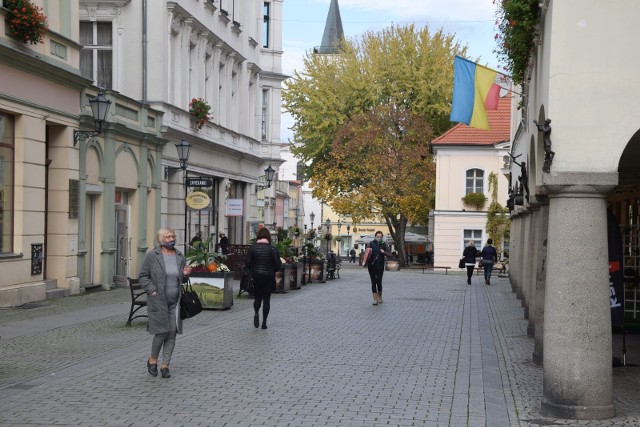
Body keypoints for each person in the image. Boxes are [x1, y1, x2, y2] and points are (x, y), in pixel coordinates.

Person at [139, 228, 192, 379]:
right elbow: (143, 276)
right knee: (161, 331)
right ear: (161, 240)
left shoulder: (179, 256)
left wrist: (185, 274)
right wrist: (152, 290)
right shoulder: (152, 256)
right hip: (158, 300)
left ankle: (165, 365)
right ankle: (153, 360)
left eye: (172, 236)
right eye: (168, 237)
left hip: (176, 301)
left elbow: (182, 279)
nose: (171, 239)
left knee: (172, 332)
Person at [246, 227, 281, 329]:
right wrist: (272, 270)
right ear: (268, 237)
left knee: (257, 297)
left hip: (256, 276)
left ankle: (256, 312)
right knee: (266, 299)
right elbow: (278, 264)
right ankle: (264, 322)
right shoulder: (272, 249)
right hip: (268, 277)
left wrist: (253, 269)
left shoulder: (253, 247)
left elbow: (248, 262)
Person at [367, 231, 388, 305]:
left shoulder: (384, 244)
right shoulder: (371, 243)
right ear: (375, 236)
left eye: (380, 237)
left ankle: (380, 297)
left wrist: (384, 252)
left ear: (382, 237)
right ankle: (375, 299)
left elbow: (390, 254)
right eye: (377, 236)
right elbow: (366, 254)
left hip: (380, 265)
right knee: (373, 282)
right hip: (371, 265)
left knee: (379, 282)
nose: (379, 238)